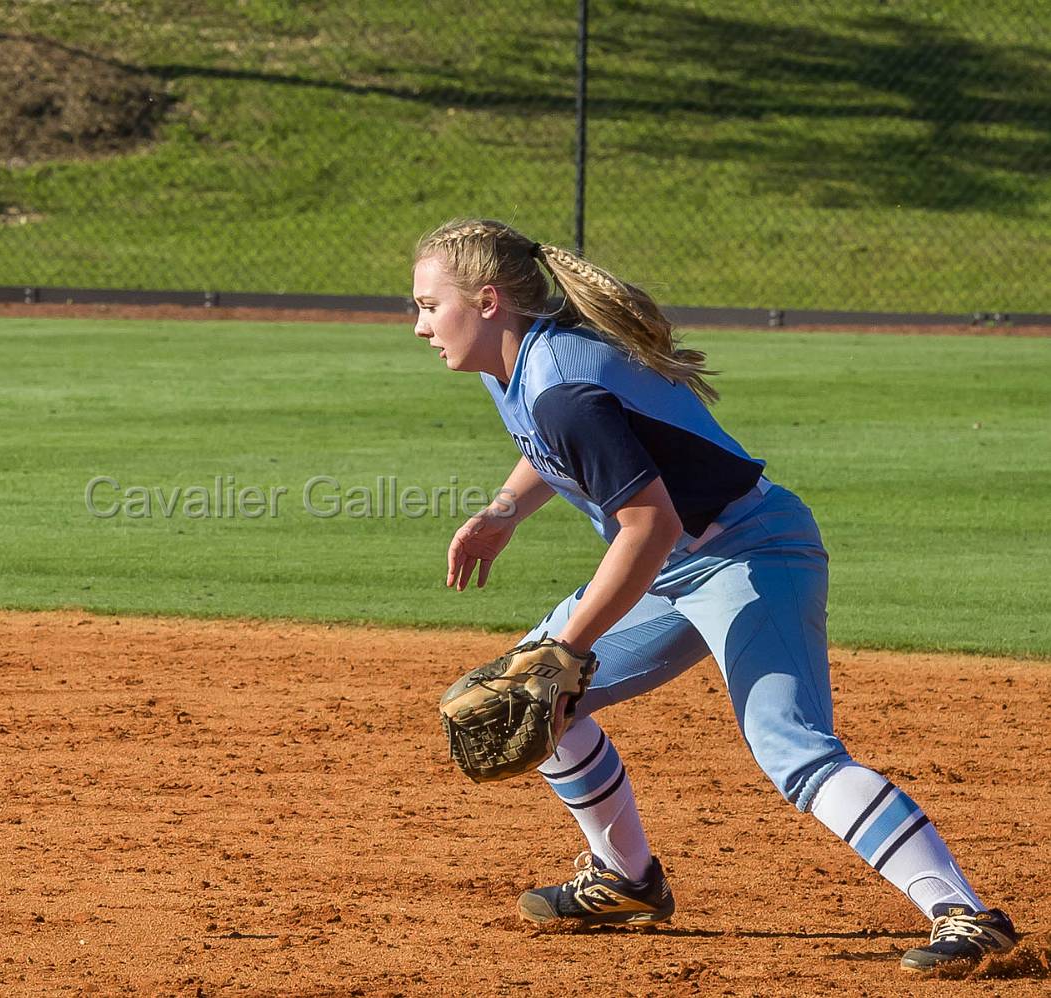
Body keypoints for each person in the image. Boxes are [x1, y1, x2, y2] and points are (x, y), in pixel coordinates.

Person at [411, 218, 1018, 971]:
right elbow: (552, 452)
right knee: (533, 702)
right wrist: (502, 512)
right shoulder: (513, 367)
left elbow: (648, 525)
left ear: (490, 301)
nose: (420, 325)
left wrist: (568, 647)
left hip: (752, 552)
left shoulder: (560, 383)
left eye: (430, 306)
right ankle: (627, 879)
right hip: (674, 567)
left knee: (789, 746)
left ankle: (963, 914)